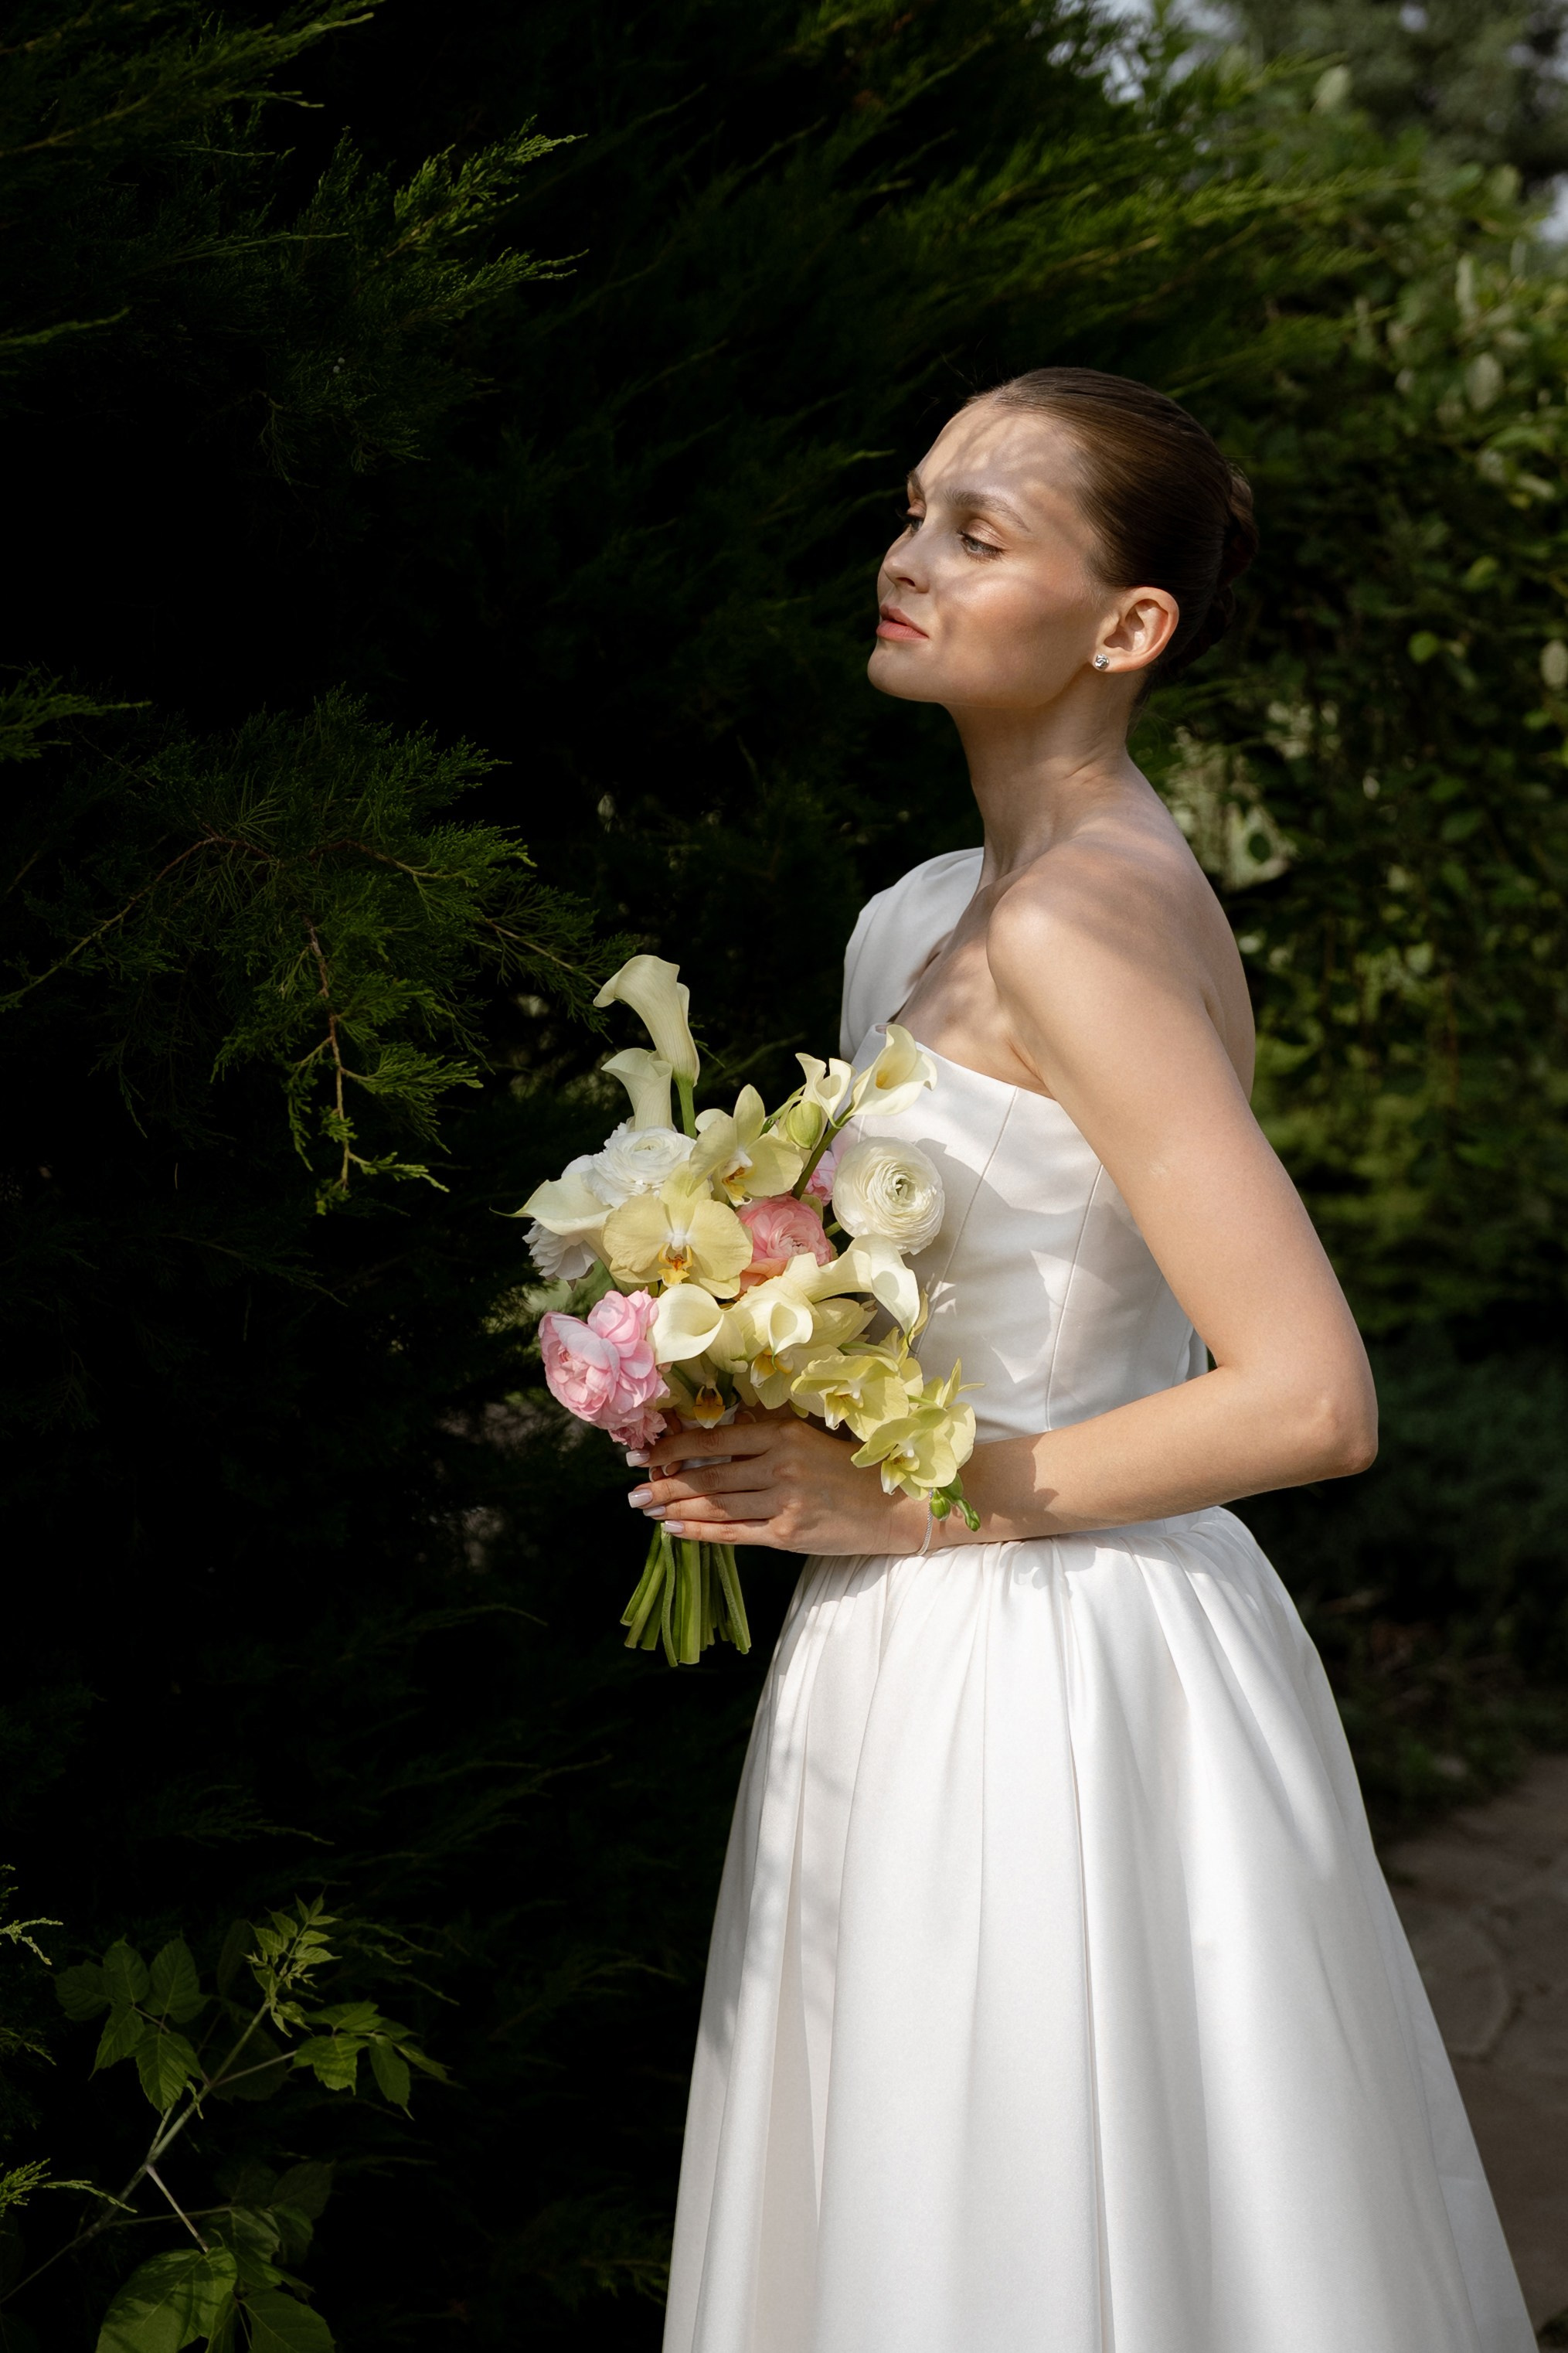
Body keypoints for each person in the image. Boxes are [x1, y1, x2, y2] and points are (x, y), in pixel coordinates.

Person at [631, 369, 1533, 2353]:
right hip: (904, 1648)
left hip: (1049, 1668)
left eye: (980, 529)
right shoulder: (924, 914)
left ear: (1129, 630)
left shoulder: (1085, 926)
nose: (904, 556)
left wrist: (917, 1497)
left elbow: (1308, 1394)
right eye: (912, 507)